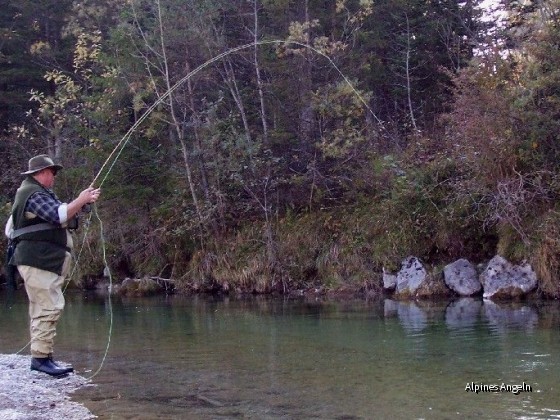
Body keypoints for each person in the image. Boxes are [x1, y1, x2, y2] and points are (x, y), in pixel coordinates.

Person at [5, 154, 101, 377]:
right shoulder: (32, 193)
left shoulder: (36, 193)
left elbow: (64, 217)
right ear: (41, 173)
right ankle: (40, 360)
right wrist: (80, 199)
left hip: (41, 261)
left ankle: (44, 356)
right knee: (48, 307)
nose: (54, 177)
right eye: (52, 172)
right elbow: (58, 215)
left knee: (44, 307)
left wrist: (83, 203)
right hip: (37, 260)